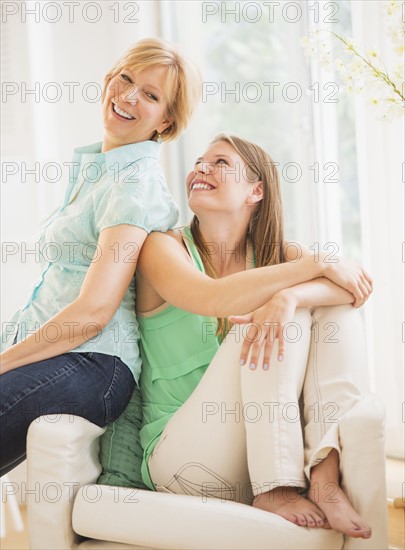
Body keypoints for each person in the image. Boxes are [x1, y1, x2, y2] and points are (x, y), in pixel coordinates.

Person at [135, 133, 377, 540]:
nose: (200, 168)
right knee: (282, 314)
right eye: (198, 161)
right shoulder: (162, 247)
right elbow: (210, 297)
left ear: (256, 190)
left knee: (327, 311)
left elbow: (354, 288)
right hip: (182, 461)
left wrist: (289, 295)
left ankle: (324, 472)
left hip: (252, 459)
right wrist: (311, 270)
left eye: (220, 163)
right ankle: (277, 487)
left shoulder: (275, 258)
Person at [0, 37, 201, 478]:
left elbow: (92, 312)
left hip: (93, 361)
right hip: (57, 350)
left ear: (166, 119)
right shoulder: (99, 168)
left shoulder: (133, 184)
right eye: (126, 79)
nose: (129, 96)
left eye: (150, 95)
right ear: (109, 79)